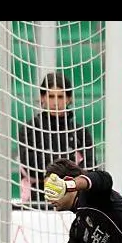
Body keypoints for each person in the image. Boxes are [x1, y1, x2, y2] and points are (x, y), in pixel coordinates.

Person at [18, 72, 96, 203]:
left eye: (60, 96)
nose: (55, 102)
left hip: (74, 201)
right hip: (37, 202)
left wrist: (50, 166)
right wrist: (70, 163)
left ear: (69, 98)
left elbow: (91, 168)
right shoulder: (29, 129)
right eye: (51, 96)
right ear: (42, 97)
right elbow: (30, 167)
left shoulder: (80, 132)